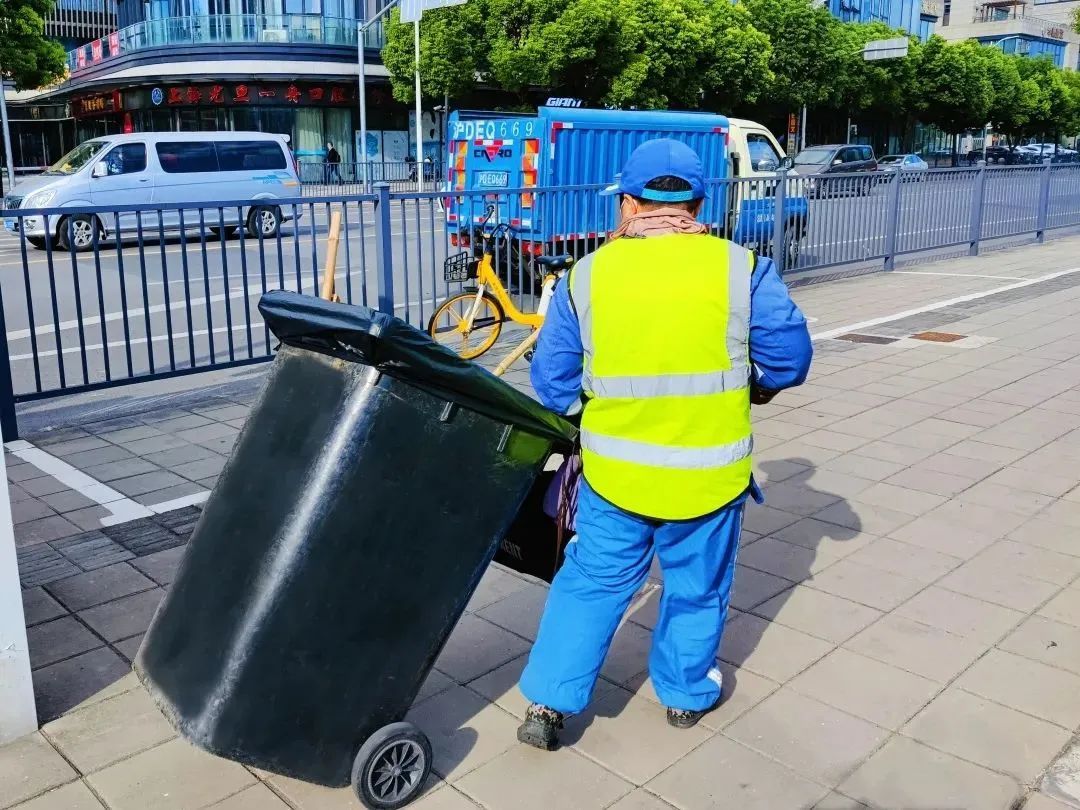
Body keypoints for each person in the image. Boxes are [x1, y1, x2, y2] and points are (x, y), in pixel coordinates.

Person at [516, 138, 813, 750]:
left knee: (591, 585)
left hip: (614, 479)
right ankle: (682, 696)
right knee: (696, 589)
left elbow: (551, 384)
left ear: (628, 204)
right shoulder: (740, 267)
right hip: (710, 481)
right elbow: (789, 360)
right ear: (700, 204)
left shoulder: (587, 277)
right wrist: (752, 387)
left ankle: (547, 704)